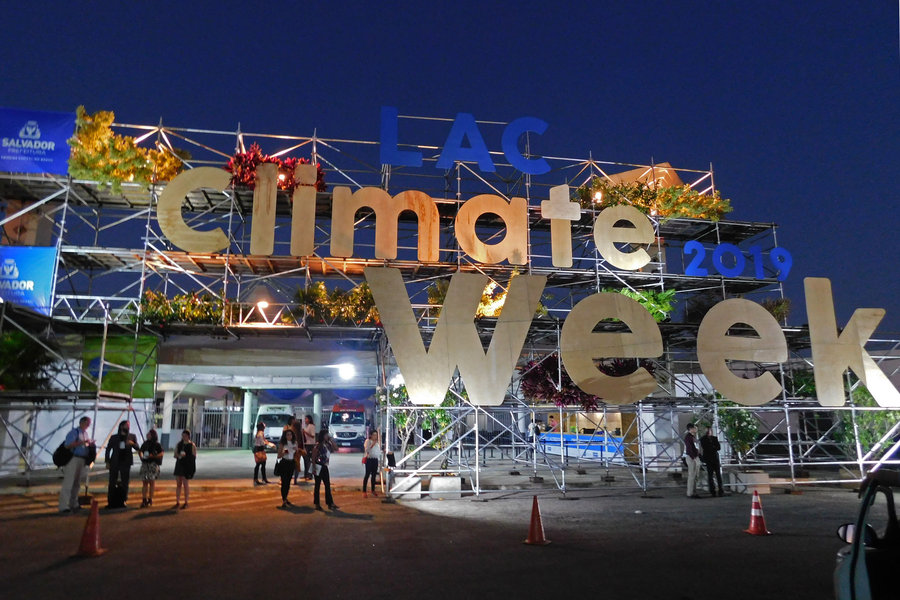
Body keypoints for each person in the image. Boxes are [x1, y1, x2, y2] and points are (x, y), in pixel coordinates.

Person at [58, 416, 94, 513]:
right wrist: (82, 442)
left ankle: (74, 503)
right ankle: (63, 506)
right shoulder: (74, 432)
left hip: (82, 459)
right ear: (82, 422)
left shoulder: (85, 433)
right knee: (69, 482)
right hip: (73, 458)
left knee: (76, 483)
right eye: (87, 423)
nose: (88, 425)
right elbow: (68, 445)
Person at [105, 420, 139, 508]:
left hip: (126, 462)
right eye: (125, 425)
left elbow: (138, 448)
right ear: (121, 426)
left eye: (128, 426)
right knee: (112, 482)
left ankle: (123, 500)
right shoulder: (114, 437)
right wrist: (107, 461)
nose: (127, 427)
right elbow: (108, 449)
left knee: (125, 482)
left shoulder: (132, 436)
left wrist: (133, 443)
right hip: (115, 461)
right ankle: (110, 501)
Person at [311, 430, 338, 510]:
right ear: (322, 436)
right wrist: (314, 467)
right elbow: (313, 456)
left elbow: (336, 448)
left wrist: (331, 440)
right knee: (317, 485)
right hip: (318, 465)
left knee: (327, 485)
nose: (327, 436)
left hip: (325, 466)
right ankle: (317, 503)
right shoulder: (318, 445)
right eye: (326, 435)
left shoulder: (327, 444)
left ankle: (330, 503)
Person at [139, 429, 164, 508]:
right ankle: (144, 499)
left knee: (151, 482)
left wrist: (154, 456)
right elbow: (140, 450)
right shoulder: (145, 443)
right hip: (145, 464)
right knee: (145, 482)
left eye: (149, 434)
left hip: (153, 464)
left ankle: (150, 499)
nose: (147, 435)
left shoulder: (157, 444)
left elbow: (162, 453)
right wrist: (141, 456)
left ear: (153, 435)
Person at [173, 430, 197, 509]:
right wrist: (179, 455)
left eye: (185, 436)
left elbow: (194, 456)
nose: (183, 437)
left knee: (185, 484)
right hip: (179, 465)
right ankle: (177, 501)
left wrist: (187, 457)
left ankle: (186, 502)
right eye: (182, 436)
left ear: (188, 436)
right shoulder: (179, 444)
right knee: (178, 484)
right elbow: (175, 454)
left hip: (187, 466)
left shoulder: (192, 445)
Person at [700, 426, 724, 497]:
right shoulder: (703, 439)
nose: (709, 431)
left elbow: (718, 447)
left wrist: (713, 447)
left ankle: (720, 490)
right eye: (708, 430)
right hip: (708, 459)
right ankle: (712, 490)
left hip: (715, 459)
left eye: (710, 430)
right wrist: (713, 447)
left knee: (718, 475)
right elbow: (705, 447)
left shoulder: (714, 438)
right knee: (710, 475)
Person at [277, 428, 298, 508]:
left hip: (291, 463)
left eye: (291, 434)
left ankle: (286, 497)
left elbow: (296, 453)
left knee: (288, 482)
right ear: (285, 436)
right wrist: (284, 452)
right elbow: (279, 455)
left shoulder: (295, 443)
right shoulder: (283, 443)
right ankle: (284, 499)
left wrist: (296, 450)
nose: (289, 436)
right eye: (288, 435)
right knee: (284, 482)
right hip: (284, 463)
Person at [684, 423, 701, 498]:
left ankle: (694, 491)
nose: (696, 429)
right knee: (692, 475)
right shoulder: (688, 437)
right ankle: (690, 493)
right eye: (694, 428)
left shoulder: (693, 437)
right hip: (691, 457)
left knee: (695, 475)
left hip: (694, 457)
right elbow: (689, 448)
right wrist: (694, 457)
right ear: (690, 429)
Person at [362, 430, 381, 498]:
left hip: (375, 460)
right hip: (369, 459)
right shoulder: (368, 441)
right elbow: (367, 450)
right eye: (374, 435)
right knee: (367, 475)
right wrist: (372, 444)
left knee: (374, 476)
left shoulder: (377, 443)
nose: (375, 436)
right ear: (371, 435)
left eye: (376, 435)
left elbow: (378, 451)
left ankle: (373, 490)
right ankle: (364, 491)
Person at [301, 414, 316, 480]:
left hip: (310, 444)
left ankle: (309, 474)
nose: (305, 420)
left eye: (306, 419)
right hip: (306, 444)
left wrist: (305, 432)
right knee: (305, 460)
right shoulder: (306, 426)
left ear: (309, 419)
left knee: (308, 460)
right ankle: (306, 474)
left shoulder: (311, 426)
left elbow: (312, 436)